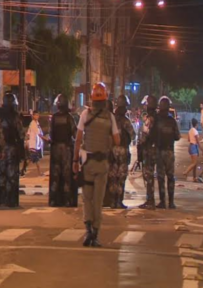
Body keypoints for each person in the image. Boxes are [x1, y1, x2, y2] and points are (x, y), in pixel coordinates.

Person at [73, 82, 120, 247]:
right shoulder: (110, 117)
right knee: (98, 199)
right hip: (102, 164)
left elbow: (78, 139)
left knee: (87, 198)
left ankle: (87, 231)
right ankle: (95, 233)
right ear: (106, 99)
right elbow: (117, 140)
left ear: (92, 98)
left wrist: (74, 162)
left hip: (87, 163)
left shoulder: (85, 114)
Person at [0, 93, 24, 207]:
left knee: (0, 174)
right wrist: (22, 153)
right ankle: (11, 201)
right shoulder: (15, 116)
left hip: (0, 150)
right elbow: (21, 134)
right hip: (12, 149)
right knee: (12, 176)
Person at [49, 94, 78, 207]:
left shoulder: (54, 118)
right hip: (66, 149)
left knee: (55, 175)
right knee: (66, 176)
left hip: (55, 149)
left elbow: (51, 134)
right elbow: (75, 134)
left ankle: (54, 200)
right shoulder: (69, 118)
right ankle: (67, 200)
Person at [108, 95, 136, 209]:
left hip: (112, 150)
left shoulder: (111, 119)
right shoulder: (126, 121)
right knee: (121, 177)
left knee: (113, 176)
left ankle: (112, 201)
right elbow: (133, 136)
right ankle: (119, 201)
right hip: (123, 150)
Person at [155, 97, 181, 209]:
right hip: (170, 151)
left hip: (160, 151)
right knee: (170, 177)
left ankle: (162, 201)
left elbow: (151, 135)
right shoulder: (172, 121)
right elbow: (177, 136)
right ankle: (171, 202)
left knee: (161, 178)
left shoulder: (156, 120)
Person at [138, 95, 158, 210]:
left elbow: (145, 135)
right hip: (156, 149)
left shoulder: (149, 119)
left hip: (149, 150)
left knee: (148, 175)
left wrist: (140, 145)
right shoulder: (159, 117)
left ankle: (150, 200)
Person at [26, 111, 45, 176]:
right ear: (33, 116)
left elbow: (28, 133)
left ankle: (23, 170)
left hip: (36, 145)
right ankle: (39, 173)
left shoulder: (37, 123)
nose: (37, 116)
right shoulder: (33, 123)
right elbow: (38, 133)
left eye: (38, 115)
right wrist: (45, 138)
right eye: (36, 115)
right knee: (35, 159)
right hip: (33, 145)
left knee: (32, 159)